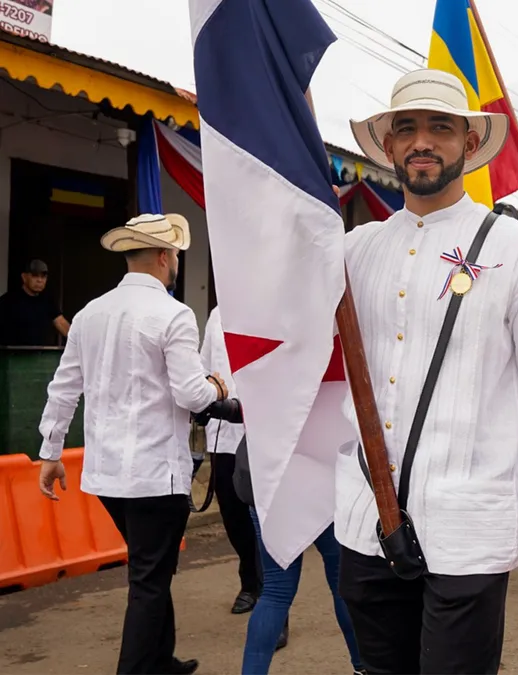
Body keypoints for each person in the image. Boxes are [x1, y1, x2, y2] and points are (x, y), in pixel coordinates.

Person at [338, 69, 518, 674]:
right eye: (407, 129)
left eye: (440, 128)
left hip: (469, 524)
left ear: (469, 145)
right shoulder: (354, 249)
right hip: (366, 518)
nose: (422, 142)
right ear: (388, 146)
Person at [35, 214, 231, 675]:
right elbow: (192, 394)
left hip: (107, 474)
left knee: (151, 569)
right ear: (164, 257)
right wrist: (218, 387)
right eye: (176, 254)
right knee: (149, 579)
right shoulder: (174, 313)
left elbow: (63, 389)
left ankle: (162, 659)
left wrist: (50, 452)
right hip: (155, 473)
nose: (177, 261)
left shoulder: (89, 313)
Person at [224, 419, 363, 674]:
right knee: (342, 582)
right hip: (320, 470)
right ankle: (362, 668)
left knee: (275, 591)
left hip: (267, 474)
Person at [200, 305, 261, 614]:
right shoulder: (217, 314)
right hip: (223, 434)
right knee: (233, 515)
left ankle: (274, 600)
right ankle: (250, 581)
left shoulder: (271, 306)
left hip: (262, 432)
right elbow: (205, 367)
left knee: (264, 520)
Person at [0, 258, 70, 345]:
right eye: (35, 276)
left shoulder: (47, 301)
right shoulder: (8, 301)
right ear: (24, 277)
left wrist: (79, 341)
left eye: (43, 276)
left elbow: (61, 323)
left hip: (39, 352)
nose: (39, 280)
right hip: (13, 352)